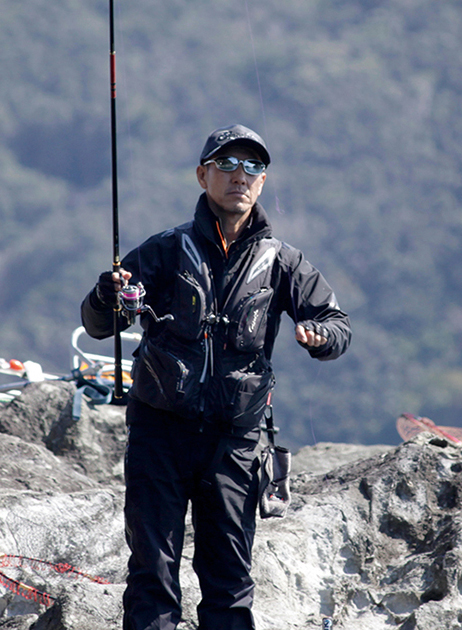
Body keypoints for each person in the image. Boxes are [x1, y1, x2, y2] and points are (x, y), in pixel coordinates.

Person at [81, 123, 351, 630]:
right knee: (151, 576)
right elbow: (99, 324)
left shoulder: (284, 262)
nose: (240, 176)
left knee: (229, 583)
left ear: (263, 182)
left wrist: (320, 335)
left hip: (236, 442)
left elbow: (338, 325)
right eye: (227, 165)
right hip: (158, 434)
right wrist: (107, 296)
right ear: (202, 176)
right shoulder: (163, 251)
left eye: (253, 167)